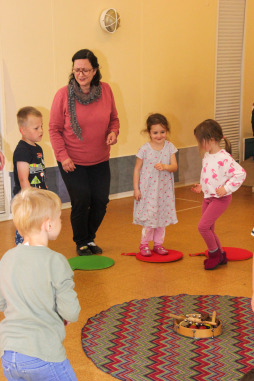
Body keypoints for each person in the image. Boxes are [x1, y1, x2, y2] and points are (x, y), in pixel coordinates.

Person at [0, 187, 81, 381]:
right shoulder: (56, 261)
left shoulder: (7, 258)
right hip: (44, 355)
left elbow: (2, 303)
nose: (61, 222)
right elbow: (71, 312)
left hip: (9, 355)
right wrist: (61, 314)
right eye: (59, 218)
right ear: (48, 225)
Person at [49, 49, 120, 256]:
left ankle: (89, 238)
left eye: (85, 70)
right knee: (81, 200)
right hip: (72, 160)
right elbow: (54, 129)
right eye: (77, 70)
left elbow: (113, 119)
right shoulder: (63, 95)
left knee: (100, 201)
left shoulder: (106, 90)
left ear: (95, 70)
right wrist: (63, 156)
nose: (81, 74)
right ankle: (81, 241)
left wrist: (113, 132)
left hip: (99, 158)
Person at [192, 119, 246, 270]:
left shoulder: (225, 158)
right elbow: (208, 175)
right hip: (208, 197)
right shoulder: (207, 156)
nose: (199, 145)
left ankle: (214, 254)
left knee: (203, 227)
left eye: (200, 141)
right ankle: (221, 254)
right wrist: (201, 186)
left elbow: (240, 174)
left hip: (220, 199)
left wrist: (227, 188)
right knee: (209, 228)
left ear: (211, 139)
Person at [133, 113, 178, 256]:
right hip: (148, 190)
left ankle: (158, 244)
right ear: (149, 133)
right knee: (150, 218)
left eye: (162, 132)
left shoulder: (170, 147)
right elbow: (137, 169)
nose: (159, 135)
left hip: (164, 191)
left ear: (167, 131)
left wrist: (165, 166)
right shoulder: (145, 149)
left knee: (161, 218)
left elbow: (174, 167)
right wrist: (136, 189)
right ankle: (144, 244)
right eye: (155, 132)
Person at [13, 106, 47, 245]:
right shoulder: (22, 150)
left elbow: (40, 173)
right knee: (26, 228)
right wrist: (30, 199)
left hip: (38, 196)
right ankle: (22, 250)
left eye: (41, 126)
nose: (41, 131)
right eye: (36, 128)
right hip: (27, 199)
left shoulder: (37, 148)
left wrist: (44, 190)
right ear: (23, 130)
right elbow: (23, 179)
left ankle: (35, 250)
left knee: (37, 227)